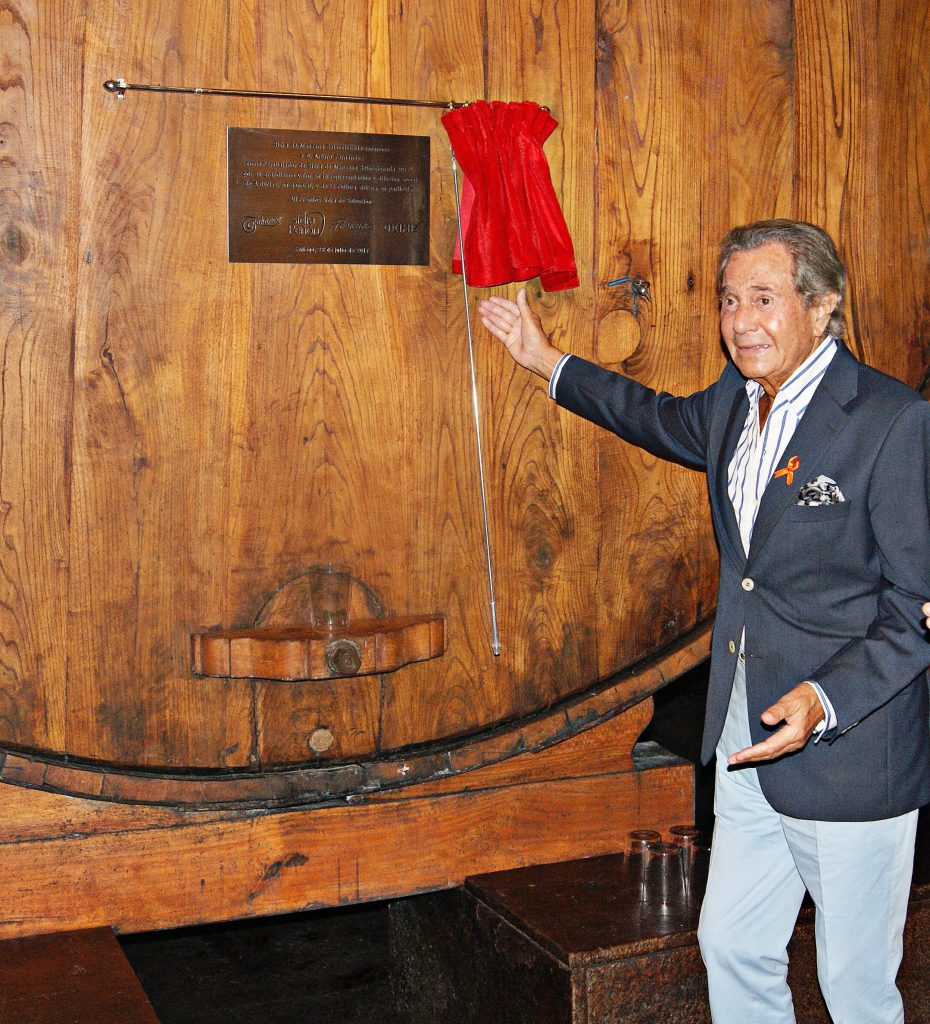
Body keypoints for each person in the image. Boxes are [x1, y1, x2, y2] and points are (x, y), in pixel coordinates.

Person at [478, 219, 930, 1024]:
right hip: (744, 733)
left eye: (763, 297)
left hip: (847, 748)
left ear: (822, 306)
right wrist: (546, 361)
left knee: (856, 986)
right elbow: (651, 415)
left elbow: (914, 607)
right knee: (731, 945)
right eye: (728, 300)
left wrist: (824, 699)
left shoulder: (889, 419)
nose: (740, 320)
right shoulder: (735, 399)